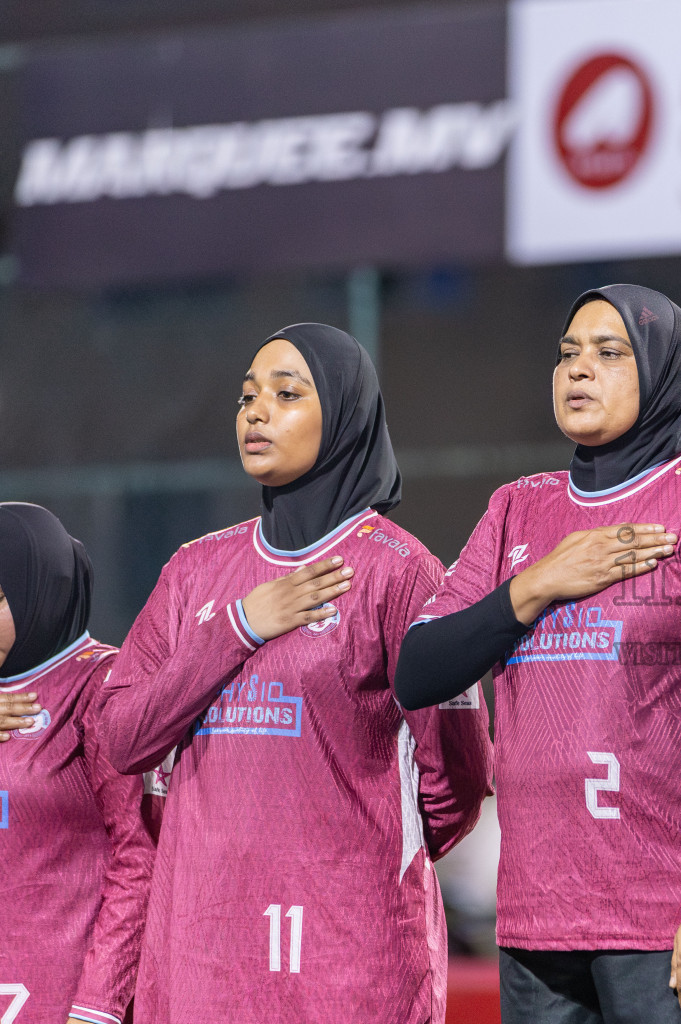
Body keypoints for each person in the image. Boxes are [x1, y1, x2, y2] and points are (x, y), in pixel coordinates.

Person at [394, 284, 681, 1024]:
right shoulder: (518, 508)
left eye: (609, 353)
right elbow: (419, 670)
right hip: (534, 923)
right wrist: (538, 584)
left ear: (664, 373)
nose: (578, 370)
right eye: (567, 354)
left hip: (672, 919)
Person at [97, 324, 491, 1022]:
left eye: (286, 394)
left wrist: (361, 852)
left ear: (343, 416)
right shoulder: (195, 572)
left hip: (348, 953)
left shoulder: (400, 574)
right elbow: (123, 737)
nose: (256, 411)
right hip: (202, 954)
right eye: (247, 396)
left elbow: (457, 776)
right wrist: (238, 627)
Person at [0, 502, 155, 1024]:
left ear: (39, 590)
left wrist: (97, 1006)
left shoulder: (102, 684)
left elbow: (141, 854)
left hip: (61, 996)